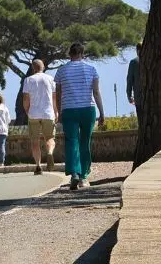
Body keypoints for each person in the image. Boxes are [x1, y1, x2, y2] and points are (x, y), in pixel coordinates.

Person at [52, 43, 105, 190]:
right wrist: (102, 112)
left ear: (70, 54)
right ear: (82, 53)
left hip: (69, 110)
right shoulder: (91, 69)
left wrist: (59, 111)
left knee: (71, 141)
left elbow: (58, 94)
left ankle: (74, 173)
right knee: (85, 142)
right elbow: (96, 92)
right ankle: (84, 177)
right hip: (88, 109)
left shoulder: (61, 71)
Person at [17, 60, 57, 174]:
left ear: (33, 68)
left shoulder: (28, 80)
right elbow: (54, 98)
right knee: (49, 138)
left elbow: (25, 99)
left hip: (33, 113)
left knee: (35, 141)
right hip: (48, 113)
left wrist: (27, 111)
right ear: (43, 67)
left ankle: (38, 166)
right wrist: (56, 111)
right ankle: (49, 153)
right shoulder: (50, 79)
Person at [124, 41, 144, 107]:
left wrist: (129, 96)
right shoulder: (152, 61)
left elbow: (129, 80)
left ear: (137, 50)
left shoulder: (134, 62)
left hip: (139, 98)